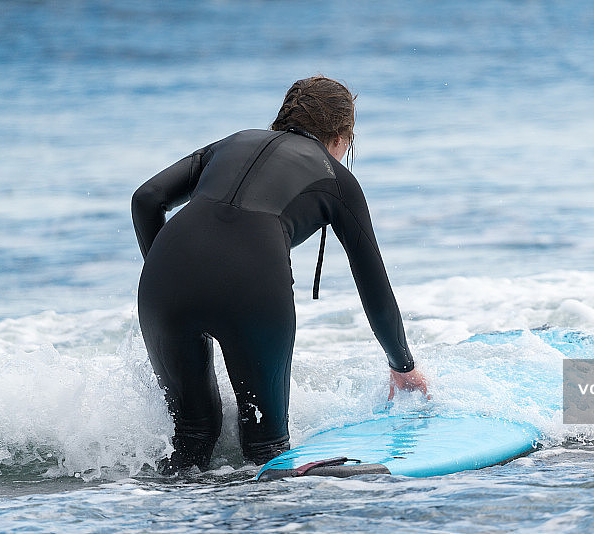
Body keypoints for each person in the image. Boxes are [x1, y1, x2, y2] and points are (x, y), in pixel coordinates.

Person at [131, 76, 428, 474]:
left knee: (192, 436)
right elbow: (372, 282)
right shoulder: (335, 178)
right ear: (341, 136)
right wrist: (402, 366)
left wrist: (170, 277)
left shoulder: (232, 142)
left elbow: (146, 199)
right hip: (251, 287)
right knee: (265, 449)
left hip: (163, 279)